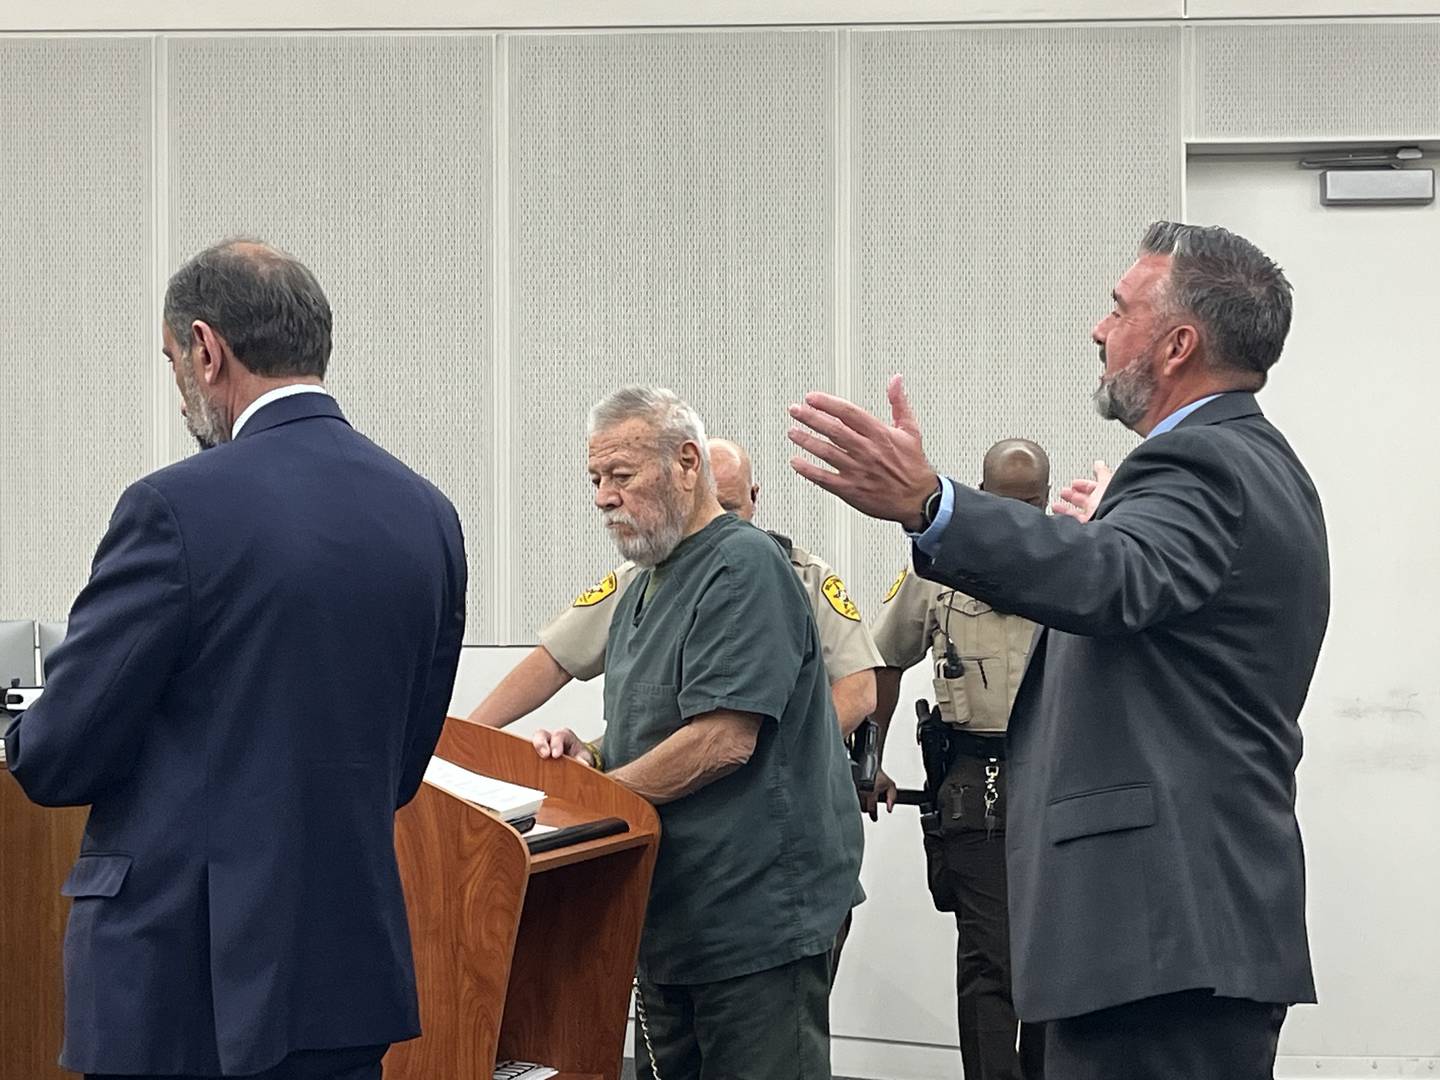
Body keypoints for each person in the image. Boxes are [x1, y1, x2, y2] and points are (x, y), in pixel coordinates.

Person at [787, 221, 1329, 1080]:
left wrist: (934, 506)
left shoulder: (1203, 463)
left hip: (1157, 937)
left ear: (1179, 343)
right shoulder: (1239, 460)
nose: (1098, 328)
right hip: (1170, 935)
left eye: (1119, 308)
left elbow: (1114, 577)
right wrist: (1104, 534)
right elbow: (1137, 586)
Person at [4, 240, 467, 1080]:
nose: (180, 386)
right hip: (343, 974)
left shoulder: (174, 509)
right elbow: (399, 768)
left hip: (182, 985)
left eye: (173, 360)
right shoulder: (428, 514)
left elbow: (59, 756)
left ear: (207, 348)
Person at [533, 386, 861, 1080]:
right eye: (595, 479)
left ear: (686, 464)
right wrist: (586, 754)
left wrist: (595, 799)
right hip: (671, 918)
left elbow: (722, 740)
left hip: (753, 923)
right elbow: (650, 723)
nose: (601, 497)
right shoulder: (644, 586)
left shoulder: (744, 566)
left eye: (620, 476)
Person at [466, 437, 880, 735]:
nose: (720, 525)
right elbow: (557, 658)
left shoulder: (804, 576)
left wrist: (795, 755)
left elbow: (858, 690)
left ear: (755, 497)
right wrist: (461, 738)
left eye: (731, 508)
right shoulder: (641, 578)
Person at [867, 439, 1050, 1080]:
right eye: (1008, 504)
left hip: (1054, 776)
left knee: (1055, 956)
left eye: (1033, 504)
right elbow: (884, 659)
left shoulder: (1072, 561)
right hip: (979, 776)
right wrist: (871, 759)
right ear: (981, 496)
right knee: (990, 956)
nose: (1022, 516)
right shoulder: (935, 566)